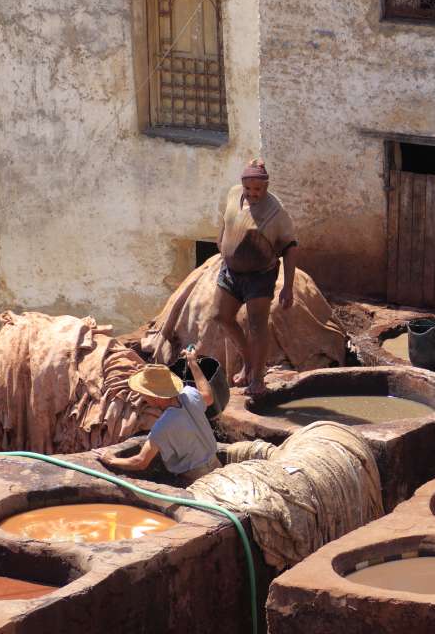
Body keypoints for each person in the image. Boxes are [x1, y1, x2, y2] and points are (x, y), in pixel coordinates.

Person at [216, 159, 299, 395]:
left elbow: (291, 247)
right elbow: (225, 221)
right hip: (231, 272)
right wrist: (222, 247)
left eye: (258, 189)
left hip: (260, 275)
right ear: (242, 185)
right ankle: (248, 361)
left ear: (266, 186)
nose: (252, 193)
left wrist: (288, 287)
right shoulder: (234, 194)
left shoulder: (275, 211)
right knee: (221, 316)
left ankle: (257, 379)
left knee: (257, 325)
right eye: (248, 188)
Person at [98, 353, 220, 483]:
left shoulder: (163, 426)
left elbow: (140, 462)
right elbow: (208, 395)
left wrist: (111, 460)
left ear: (155, 397)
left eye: (144, 394)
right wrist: (193, 363)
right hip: (216, 465)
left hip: (196, 477)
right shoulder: (190, 394)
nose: (143, 397)